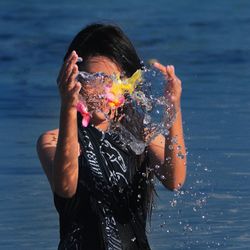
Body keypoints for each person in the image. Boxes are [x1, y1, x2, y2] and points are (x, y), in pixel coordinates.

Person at [36, 23, 186, 250]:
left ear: (127, 86)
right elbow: (65, 187)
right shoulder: (53, 140)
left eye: (109, 80)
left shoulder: (141, 138)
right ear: (74, 80)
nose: (100, 92)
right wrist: (68, 106)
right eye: (91, 80)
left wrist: (173, 107)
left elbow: (175, 180)